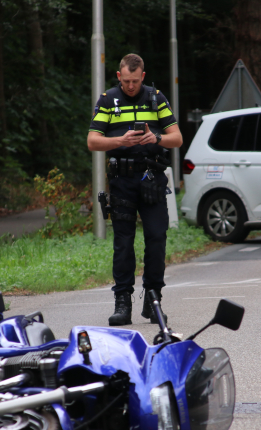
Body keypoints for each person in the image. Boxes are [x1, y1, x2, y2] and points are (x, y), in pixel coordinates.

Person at [87, 54, 182, 326]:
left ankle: (153, 300)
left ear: (143, 75)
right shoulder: (108, 100)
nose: (131, 86)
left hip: (151, 178)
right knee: (123, 243)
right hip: (122, 181)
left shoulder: (156, 98)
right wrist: (120, 141)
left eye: (135, 80)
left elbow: (177, 137)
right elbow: (93, 141)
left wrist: (158, 137)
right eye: (126, 81)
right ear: (119, 77)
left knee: (156, 238)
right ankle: (122, 302)